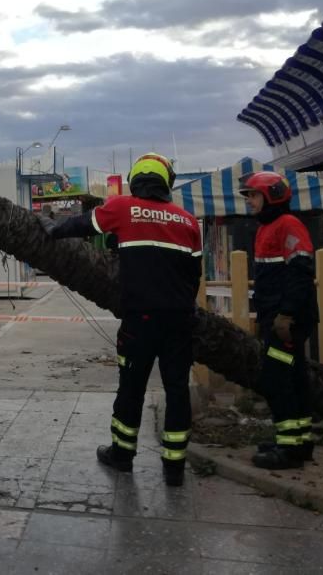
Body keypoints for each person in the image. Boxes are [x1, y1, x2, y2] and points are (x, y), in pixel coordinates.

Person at [39, 153, 201, 487]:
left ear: (136, 179)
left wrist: (53, 228)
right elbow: (192, 274)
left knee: (132, 388)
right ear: (167, 183)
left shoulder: (125, 207)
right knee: (177, 389)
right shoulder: (188, 221)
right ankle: (174, 467)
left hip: (140, 320)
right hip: (180, 321)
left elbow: (83, 224)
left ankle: (122, 456)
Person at [238, 172, 318, 470]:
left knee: (275, 378)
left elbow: (300, 274)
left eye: (253, 196)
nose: (249, 201)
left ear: (272, 195)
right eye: (248, 196)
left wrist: (286, 314)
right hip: (278, 317)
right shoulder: (267, 228)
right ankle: (300, 442)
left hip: (288, 320)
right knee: (295, 377)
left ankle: (288, 448)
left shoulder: (288, 225)